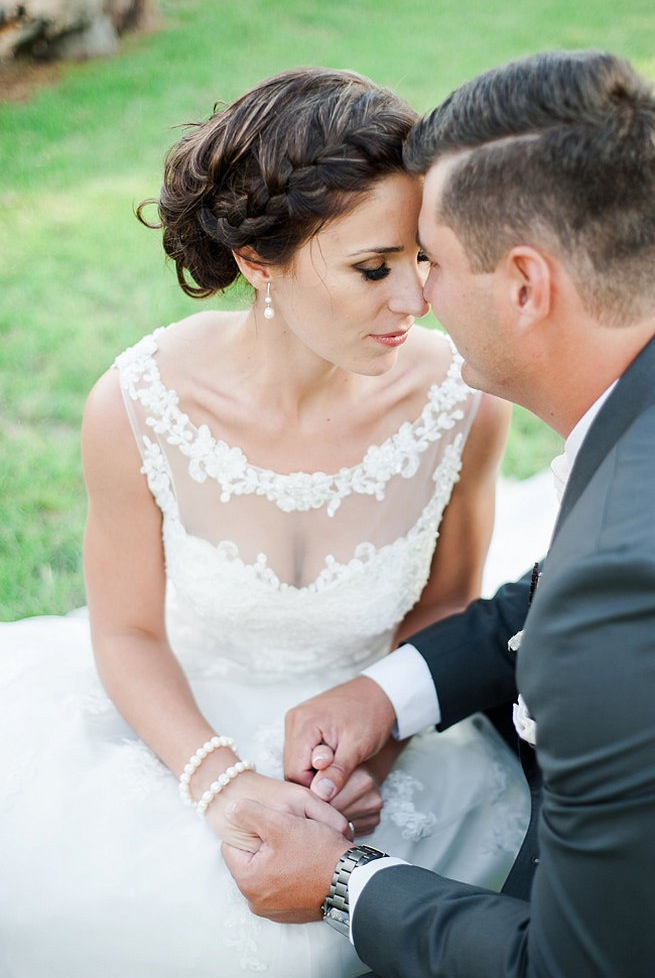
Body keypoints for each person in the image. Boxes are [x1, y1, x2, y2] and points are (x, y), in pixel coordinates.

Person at [0, 67, 530, 978]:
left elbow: (444, 604)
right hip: (177, 725)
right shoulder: (135, 406)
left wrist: (377, 746)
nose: (414, 301)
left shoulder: (464, 401)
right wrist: (220, 784)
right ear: (257, 262)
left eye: (422, 259)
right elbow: (125, 631)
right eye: (372, 268)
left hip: (382, 750)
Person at [221, 50, 655, 977]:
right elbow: (546, 598)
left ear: (526, 287)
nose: (421, 299)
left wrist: (341, 882)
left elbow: (575, 967)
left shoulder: (616, 588)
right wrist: (385, 693)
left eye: (438, 263)